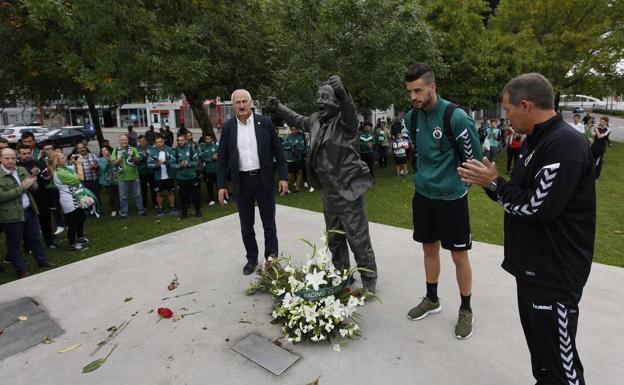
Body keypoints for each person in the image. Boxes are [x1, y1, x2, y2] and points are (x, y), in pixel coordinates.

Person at [458, 73, 594, 385]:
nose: (506, 116)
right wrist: (494, 183)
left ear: (526, 105)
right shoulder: (533, 140)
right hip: (533, 268)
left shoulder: (564, 145)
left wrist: (495, 184)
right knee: (543, 358)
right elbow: (516, 193)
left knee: (562, 365)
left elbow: (536, 207)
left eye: (508, 110)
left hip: (555, 273)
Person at [269, 76, 378, 293]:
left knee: (358, 239)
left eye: (325, 98)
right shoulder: (316, 120)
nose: (320, 102)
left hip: (348, 192)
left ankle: (369, 282)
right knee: (335, 239)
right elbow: (297, 118)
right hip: (329, 192)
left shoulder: (346, 123)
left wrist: (342, 92)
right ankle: (342, 275)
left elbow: (349, 109)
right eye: (318, 98)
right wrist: (278, 107)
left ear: (335, 102)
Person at [402, 62, 482, 339]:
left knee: (459, 255)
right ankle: (431, 298)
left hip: (452, 199)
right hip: (423, 196)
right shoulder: (411, 117)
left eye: (418, 91)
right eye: (410, 92)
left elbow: (474, 161)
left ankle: (466, 309)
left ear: (432, 87)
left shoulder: (456, 117)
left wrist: (458, 186)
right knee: (428, 249)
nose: (414, 97)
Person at [217, 89, 289, 275]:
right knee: (246, 226)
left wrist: (283, 177)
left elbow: (279, 151)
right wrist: (221, 185)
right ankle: (251, 258)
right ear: (233, 106)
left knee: (269, 223)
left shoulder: (265, 123)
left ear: (251, 103)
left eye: (244, 101)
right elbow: (223, 159)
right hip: (241, 182)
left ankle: (272, 258)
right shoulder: (228, 128)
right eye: (237, 102)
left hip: (263, 179)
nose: (241, 105)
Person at [0, 148, 55, 277]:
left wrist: (32, 179)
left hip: (29, 211)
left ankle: (43, 261)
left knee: (35, 238)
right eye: (7, 158)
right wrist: (22, 188)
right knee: (15, 243)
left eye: (13, 158)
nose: (10, 161)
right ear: (1, 158)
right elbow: (1, 196)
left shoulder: (21, 170)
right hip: (11, 215)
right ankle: (21, 269)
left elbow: (34, 188)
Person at [48, 151, 89, 251]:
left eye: (64, 157)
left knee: (81, 217)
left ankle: (80, 237)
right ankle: (72, 244)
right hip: (69, 200)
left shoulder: (64, 168)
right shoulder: (60, 172)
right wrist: (79, 164)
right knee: (72, 222)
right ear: (56, 161)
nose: (64, 159)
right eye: (62, 158)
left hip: (76, 196)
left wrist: (75, 163)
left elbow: (73, 170)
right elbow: (80, 178)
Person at [112, 134, 145, 218]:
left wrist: (133, 156)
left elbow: (138, 162)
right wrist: (120, 158)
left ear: (128, 141)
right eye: (122, 140)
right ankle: (124, 213)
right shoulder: (115, 151)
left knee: (137, 195)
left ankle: (141, 211)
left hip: (134, 176)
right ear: (119, 141)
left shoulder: (133, 149)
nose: (124, 142)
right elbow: (113, 163)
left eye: (125, 140)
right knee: (123, 197)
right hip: (122, 177)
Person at [173, 133, 201, 219]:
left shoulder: (191, 149)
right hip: (181, 178)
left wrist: (188, 164)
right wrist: (180, 165)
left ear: (185, 140)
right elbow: (172, 164)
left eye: (182, 140)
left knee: (195, 195)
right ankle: (184, 213)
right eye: (179, 140)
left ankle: (198, 211)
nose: (180, 142)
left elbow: (196, 161)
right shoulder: (175, 151)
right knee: (182, 196)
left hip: (192, 176)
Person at [148, 135, 176, 216]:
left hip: (169, 175)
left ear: (163, 141)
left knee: (171, 192)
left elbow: (174, 161)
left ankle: (172, 207)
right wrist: (157, 164)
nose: (158, 144)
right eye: (157, 142)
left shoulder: (170, 150)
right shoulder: (152, 151)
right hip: (158, 177)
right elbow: (149, 164)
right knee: (159, 193)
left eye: (160, 142)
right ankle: (160, 209)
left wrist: (167, 162)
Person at [282, 125, 305, 193]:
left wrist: (296, 147)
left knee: (299, 173)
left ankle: (297, 188)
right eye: (292, 129)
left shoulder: (300, 137)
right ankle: (286, 189)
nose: (294, 130)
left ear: (297, 130)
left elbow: (303, 148)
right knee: (289, 174)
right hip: (289, 159)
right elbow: (283, 146)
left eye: (295, 129)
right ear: (291, 130)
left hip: (298, 159)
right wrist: (290, 147)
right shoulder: (288, 137)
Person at [137, 135, 157, 211]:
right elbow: (136, 162)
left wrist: (149, 156)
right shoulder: (136, 149)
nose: (142, 142)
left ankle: (155, 203)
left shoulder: (151, 148)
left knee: (153, 189)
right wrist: (143, 157)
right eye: (140, 141)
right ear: (138, 141)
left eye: (143, 140)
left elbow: (154, 158)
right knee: (143, 190)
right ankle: (144, 205)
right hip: (142, 172)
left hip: (151, 172)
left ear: (146, 140)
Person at [98, 145, 119, 216]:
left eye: (105, 150)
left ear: (109, 151)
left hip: (116, 179)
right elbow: (103, 169)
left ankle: (119, 209)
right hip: (107, 181)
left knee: (117, 195)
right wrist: (107, 161)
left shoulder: (114, 157)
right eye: (102, 151)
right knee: (111, 195)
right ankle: (113, 209)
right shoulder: (101, 160)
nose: (103, 152)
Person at [200, 134, 219, 206]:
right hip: (208, 170)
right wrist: (211, 158)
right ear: (205, 140)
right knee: (209, 186)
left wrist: (217, 155)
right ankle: (212, 199)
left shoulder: (216, 147)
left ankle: (222, 198)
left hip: (217, 169)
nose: (208, 140)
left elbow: (221, 155)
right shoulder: (203, 148)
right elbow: (202, 158)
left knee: (219, 185)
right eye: (206, 139)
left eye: (209, 139)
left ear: (212, 139)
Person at [591, 116, 611, 181]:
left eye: (601, 121)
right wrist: (592, 128)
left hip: (600, 148)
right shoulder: (598, 128)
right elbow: (593, 135)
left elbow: (599, 136)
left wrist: (596, 129)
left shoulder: (608, 130)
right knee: (590, 160)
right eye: (600, 121)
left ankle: (596, 177)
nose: (600, 122)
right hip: (594, 146)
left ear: (606, 122)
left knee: (598, 163)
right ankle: (589, 175)